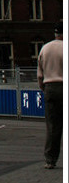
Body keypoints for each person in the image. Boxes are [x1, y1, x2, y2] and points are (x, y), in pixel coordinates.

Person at [37, 21, 63, 169]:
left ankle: (50, 159)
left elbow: (40, 75)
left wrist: (44, 88)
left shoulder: (45, 48)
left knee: (53, 126)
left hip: (50, 87)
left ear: (55, 34)